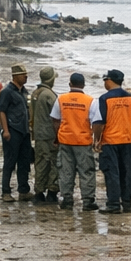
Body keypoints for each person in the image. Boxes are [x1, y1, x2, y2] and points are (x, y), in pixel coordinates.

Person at [89, 69, 131, 215]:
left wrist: (97, 139)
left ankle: (113, 204)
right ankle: (127, 204)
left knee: (111, 172)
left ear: (109, 81)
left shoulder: (104, 99)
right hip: (127, 141)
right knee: (126, 172)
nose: (104, 83)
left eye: (105, 80)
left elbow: (100, 122)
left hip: (110, 141)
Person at [51, 73, 96, 211]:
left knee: (66, 170)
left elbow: (55, 120)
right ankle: (87, 201)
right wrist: (95, 139)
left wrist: (58, 136)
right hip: (83, 141)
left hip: (65, 140)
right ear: (84, 85)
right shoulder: (90, 101)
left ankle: (67, 199)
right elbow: (95, 122)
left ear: (70, 84)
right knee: (86, 171)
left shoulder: (61, 99)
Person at [0, 64, 34, 201]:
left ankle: (23, 190)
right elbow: (1, 111)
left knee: (24, 162)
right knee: (10, 162)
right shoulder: (7, 92)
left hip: (24, 131)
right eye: (23, 75)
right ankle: (6, 191)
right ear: (15, 76)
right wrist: (6, 130)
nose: (26, 77)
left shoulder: (24, 91)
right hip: (13, 131)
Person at [30, 68, 60, 203]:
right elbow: (56, 116)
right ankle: (52, 191)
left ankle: (39, 192)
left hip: (39, 134)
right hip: (49, 135)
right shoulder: (49, 95)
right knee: (54, 163)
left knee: (40, 163)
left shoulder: (36, 93)